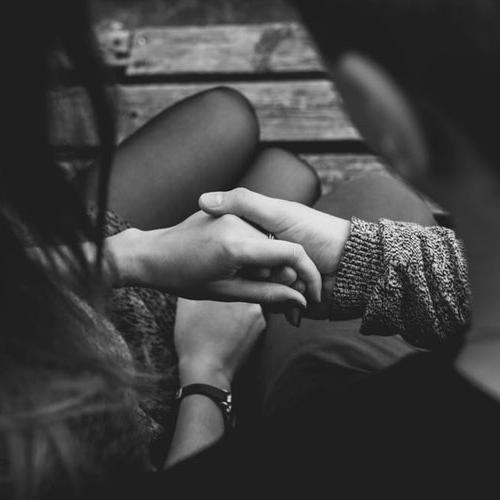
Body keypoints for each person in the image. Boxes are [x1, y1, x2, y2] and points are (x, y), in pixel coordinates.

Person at [0, 1, 473, 499]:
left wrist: (131, 254)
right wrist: (208, 371)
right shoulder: (57, 428)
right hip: (164, 367)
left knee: (239, 128)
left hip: (79, 279)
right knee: (339, 188)